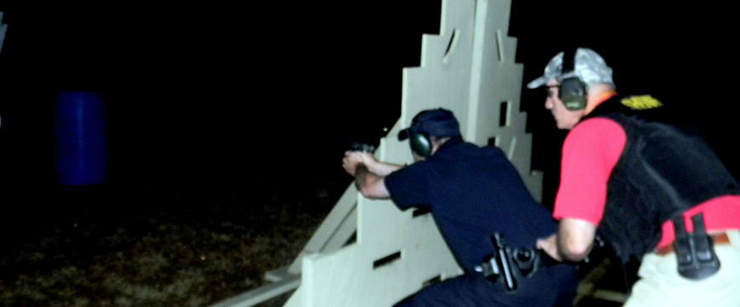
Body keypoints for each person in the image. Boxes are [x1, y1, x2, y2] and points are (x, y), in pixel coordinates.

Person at [528, 47, 740, 306]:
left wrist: (557, 247)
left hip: (697, 267)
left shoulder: (590, 131)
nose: (547, 104)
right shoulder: (655, 115)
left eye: (551, 92)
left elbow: (574, 244)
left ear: (573, 91)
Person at [342, 108, 578, 307]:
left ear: (421, 143)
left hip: (513, 284)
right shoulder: (490, 156)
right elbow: (418, 178)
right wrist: (376, 164)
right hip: (561, 271)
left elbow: (369, 188)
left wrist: (359, 167)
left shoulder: (432, 174)